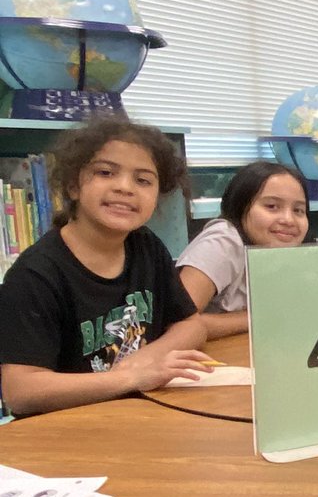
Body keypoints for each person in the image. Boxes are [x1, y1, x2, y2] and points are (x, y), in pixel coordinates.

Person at [0, 118, 212, 416]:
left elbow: (191, 325)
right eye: (105, 172)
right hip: (67, 428)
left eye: (143, 180)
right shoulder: (35, 275)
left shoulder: (146, 246)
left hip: (137, 412)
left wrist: (146, 360)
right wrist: (130, 378)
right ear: (73, 186)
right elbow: (21, 392)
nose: (124, 188)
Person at [176, 161, 309, 338]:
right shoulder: (223, 241)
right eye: (272, 206)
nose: (288, 220)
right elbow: (178, 319)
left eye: (298, 210)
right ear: (240, 206)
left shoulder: (281, 253)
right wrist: (260, 318)